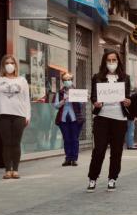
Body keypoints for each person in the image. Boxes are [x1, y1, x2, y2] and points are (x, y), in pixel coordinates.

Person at [87, 50, 131, 192]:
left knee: (117, 151)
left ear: (118, 61)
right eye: (109, 60)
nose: (112, 63)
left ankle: (112, 178)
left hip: (119, 118)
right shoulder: (97, 77)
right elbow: (93, 96)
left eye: (114, 60)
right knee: (99, 150)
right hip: (102, 118)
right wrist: (95, 102)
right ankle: (92, 178)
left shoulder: (125, 78)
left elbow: (128, 97)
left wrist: (127, 101)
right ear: (104, 62)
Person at [0, 55, 31, 179]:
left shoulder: (22, 80)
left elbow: (26, 100)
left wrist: (28, 115)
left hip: (19, 115)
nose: (9, 65)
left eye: (12, 63)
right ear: (3, 66)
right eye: (7, 63)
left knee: (16, 143)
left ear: (15, 65)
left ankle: (16, 170)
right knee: (7, 143)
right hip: (2, 114)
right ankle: (8, 170)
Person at [54, 72, 85, 167]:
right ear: (62, 81)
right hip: (63, 119)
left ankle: (74, 159)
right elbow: (55, 106)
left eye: (69, 79)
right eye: (65, 80)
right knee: (66, 139)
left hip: (75, 118)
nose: (67, 81)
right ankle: (68, 158)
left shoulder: (76, 91)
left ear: (72, 80)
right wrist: (62, 101)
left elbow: (81, 104)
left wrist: (76, 98)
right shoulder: (60, 93)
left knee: (74, 139)